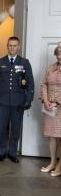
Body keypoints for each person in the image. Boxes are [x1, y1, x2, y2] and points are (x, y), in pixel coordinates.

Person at [0, 36, 35, 163]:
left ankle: (12, 153)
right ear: (7, 46)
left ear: (19, 46)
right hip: (2, 100)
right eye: (10, 45)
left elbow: (30, 83)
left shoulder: (24, 62)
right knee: (1, 128)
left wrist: (29, 99)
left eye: (15, 45)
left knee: (15, 129)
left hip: (18, 101)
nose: (12, 47)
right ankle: (1, 152)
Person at [40, 46, 61, 176]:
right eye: (57, 55)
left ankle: (60, 165)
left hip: (59, 106)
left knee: (60, 136)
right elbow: (44, 84)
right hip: (50, 107)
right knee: (51, 135)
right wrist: (45, 99)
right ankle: (53, 162)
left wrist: (57, 101)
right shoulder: (50, 67)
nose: (59, 57)